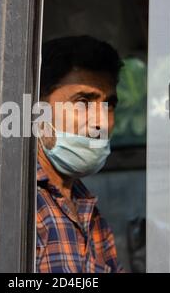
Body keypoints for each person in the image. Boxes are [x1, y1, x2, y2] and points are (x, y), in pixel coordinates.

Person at [36, 35, 124, 273]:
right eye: (83, 102)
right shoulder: (14, 201)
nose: (101, 122)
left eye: (109, 105)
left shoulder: (87, 208)